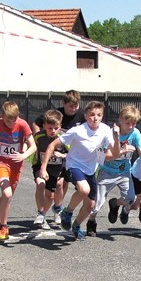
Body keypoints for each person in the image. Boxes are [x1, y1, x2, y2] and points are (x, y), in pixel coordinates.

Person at [40, 100, 120, 241]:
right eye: (92, 115)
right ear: (86, 116)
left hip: (90, 169)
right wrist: (43, 167)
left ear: (102, 116)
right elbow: (52, 145)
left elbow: (115, 154)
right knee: (84, 189)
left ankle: (76, 225)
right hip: (74, 165)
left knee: (90, 205)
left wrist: (117, 137)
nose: (95, 118)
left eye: (99, 115)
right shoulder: (77, 131)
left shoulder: (105, 130)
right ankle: (67, 212)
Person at [86, 105, 141, 237]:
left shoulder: (135, 133)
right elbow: (103, 157)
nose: (131, 126)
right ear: (120, 120)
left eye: (134, 124)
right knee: (97, 202)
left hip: (124, 172)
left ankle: (116, 204)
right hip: (107, 172)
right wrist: (121, 152)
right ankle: (91, 221)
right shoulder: (109, 133)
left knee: (131, 198)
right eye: (128, 123)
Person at [0, 101, 37, 240]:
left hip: (16, 166)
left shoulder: (23, 125)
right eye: (7, 121)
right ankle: (4, 226)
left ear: (18, 116)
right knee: (7, 194)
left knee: (7, 196)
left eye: (13, 120)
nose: (11, 124)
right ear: (2, 116)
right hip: (1, 163)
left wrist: (23, 156)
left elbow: (33, 146)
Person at [31, 109, 66, 229]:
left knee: (51, 195)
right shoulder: (38, 136)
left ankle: (55, 209)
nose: (53, 131)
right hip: (40, 165)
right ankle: (40, 213)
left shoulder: (64, 138)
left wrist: (62, 155)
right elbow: (30, 145)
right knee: (40, 184)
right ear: (44, 125)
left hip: (57, 168)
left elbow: (73, 154)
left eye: (56, 128)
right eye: (50, 128)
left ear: (60, 126)